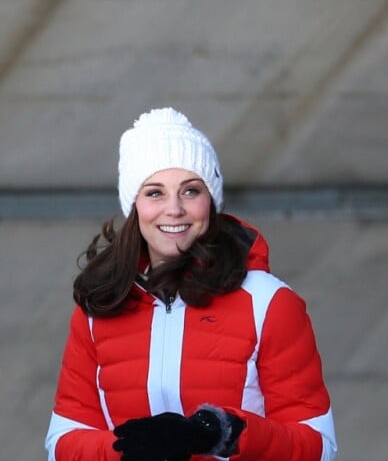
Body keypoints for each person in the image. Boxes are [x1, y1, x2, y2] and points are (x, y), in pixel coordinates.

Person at [45, 107, 337, 460]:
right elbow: (63, 441)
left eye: (190, 191)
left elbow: (317, 446)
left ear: (210, 202)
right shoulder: (100, 305)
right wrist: (129, 449)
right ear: (134, 206)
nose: (174, 209)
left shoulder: (269, 302)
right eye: (155, 193)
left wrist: (217, 432)